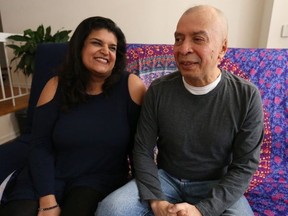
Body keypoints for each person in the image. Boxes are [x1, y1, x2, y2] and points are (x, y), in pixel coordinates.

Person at [95, 5, 264, 216]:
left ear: (222, 48)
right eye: (178, 39)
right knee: (110, 210)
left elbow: (244, 166)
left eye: (198, 39)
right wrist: (157, 201)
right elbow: (142, 150)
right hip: (166, 178)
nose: (183, 49)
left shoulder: (246, 96)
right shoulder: (159, 90)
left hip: (216, 185)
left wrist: (202, 210)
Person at [0, 16, 146, 216]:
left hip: (97, 179)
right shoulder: (55, 85)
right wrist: (47, 199)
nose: (106, 51)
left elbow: (139, 145)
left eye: (112, 48)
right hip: (49, 175)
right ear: (79, 47)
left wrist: (144, 190)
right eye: (97, 43)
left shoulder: (131, 86)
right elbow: (39, 144)